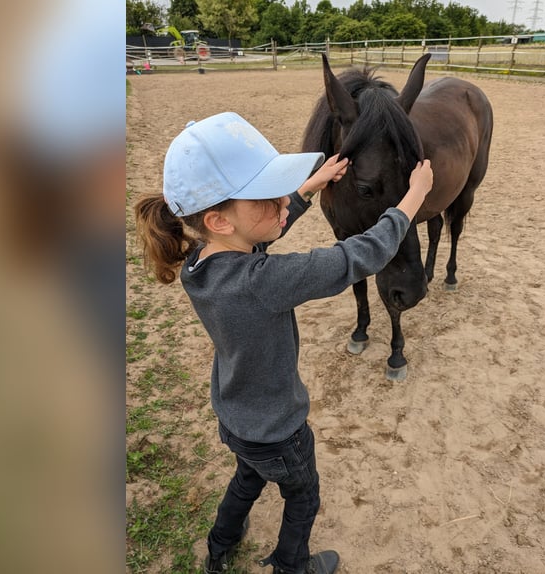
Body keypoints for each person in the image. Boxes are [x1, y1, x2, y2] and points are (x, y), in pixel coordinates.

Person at [133, 111, 432, 574]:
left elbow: (257, 236)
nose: (281, 206)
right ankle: (293, 567)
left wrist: (310, 187)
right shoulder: (263, 281)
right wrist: (412, 199)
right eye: (266, 200)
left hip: (236, 417)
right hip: (279, 430)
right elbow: (358, 255)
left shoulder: (198, 260)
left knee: (246, 480)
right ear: (218, 219)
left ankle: (219, 547)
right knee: (303, 497)